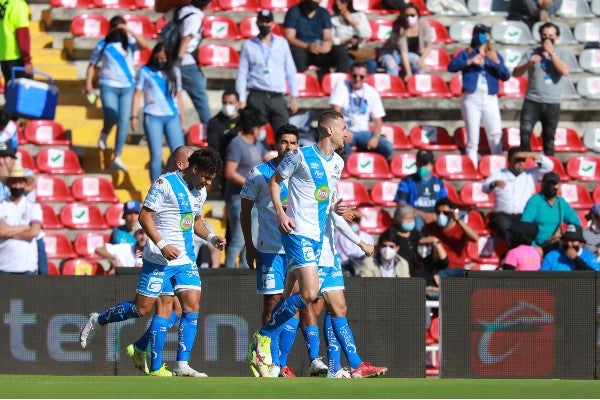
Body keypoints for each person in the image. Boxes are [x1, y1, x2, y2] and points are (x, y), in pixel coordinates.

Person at [79, 148, 226, 378]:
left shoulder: (200, 192)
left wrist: (210, 238)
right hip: (159, 258)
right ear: (195, 169)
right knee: (142, 309)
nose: (208, 183)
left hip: (185, 258)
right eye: (206, 177)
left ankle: (181, 364)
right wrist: (162, 244)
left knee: (192, 305)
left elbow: (195, 221)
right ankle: (99, 319)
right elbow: (144, 216)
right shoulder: (164, 183)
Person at [247, 110, 347, 375]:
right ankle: (265, 337)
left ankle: (273, 352)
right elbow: (274, 182)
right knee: (309, 294)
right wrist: (281, 214)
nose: (346, 133)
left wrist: (339, 210)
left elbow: (326, 198)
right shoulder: (300, 157)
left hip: (318, 238)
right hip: (295, 233)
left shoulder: (337, 163)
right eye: (343, 128)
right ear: (329, 130)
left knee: (300, 300)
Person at [240, 123, 301, 378]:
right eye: (284, 142)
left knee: (293, 306)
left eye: (294, 143)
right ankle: (266, 357)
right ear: (275, 145)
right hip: (270, 249)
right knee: (273, 303)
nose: (289, 148)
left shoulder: (303, 172)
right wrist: (250, 245)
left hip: (297, 247)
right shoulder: (259, 173)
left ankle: (280, 363)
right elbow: (245, 211)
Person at [86, 15, 148, 172]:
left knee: (122, 121)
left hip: (127, 86)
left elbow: (145, 45)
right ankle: (105, 132)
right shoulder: (103, 44)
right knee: (111, 115)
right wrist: (88, 84)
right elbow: (92, 65)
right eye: (116, 27)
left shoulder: (129, 43)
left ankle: (117, 156)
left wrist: (128, 30)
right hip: (108, 85)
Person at [447, 24, 509, 168]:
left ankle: (498, 168)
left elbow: (505, 76)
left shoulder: (494, 54)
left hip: (490, 98)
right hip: (471, 97)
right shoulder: (467, 53)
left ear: (489, 36)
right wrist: (470, 61)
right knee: (472, 139)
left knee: (495, 136)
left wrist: (497, 62)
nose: (482, 36)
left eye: (484, 33)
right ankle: (472, 169)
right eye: (479, 33)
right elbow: (451, 67)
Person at [512, 22, 570, 156]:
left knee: (549, 139)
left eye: (550, 36)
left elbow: (565, 71)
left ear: (556, 37)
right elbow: (516, 73)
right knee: (525, 134)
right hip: (532, 100)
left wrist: (552, 54)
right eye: (544, 35)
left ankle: (547, 170)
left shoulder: (562, 53)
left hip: (552, 102)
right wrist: (529, 63)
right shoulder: (531, 52)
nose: (547, 38)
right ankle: (525, 165)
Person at [236, 9, 299, 133]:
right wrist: (241, 99)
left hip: (277, 97)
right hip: (257, 95)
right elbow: (242, 73)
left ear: (273, 24)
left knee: (284, 134)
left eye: (267, 22)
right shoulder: (248, 45)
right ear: (257, 23)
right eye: (262, 22)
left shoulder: (282, 43)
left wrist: (294, 96)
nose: (264, 25)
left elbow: (290, 70)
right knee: (254, 134)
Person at [131, 43, 185, 182]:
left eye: (163, 60)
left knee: (180, 153)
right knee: (156, 156)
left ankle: (171, 181)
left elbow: (179, 97)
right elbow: (137, 94)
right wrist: (134, 116)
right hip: (152, 116)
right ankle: (155, 190)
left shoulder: (174, 71)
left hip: (172, 116)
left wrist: (183, 120)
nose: (160, 62)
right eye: (158, 59)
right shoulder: (145, 71)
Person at [482, 147, 553, 248]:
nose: (521, 163)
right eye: (517, 160)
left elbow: (548, 166)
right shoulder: (499, 173)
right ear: (509, 160)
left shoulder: (531, 174)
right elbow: (485, 189)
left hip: (523, 216)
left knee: (532, 228)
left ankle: (523, 254)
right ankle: (515, 252)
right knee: (505, 227)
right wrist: (494, 184)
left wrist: (531, 155)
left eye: (523, 160)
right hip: (503, 216)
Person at [224, 109, 269, 268]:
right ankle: (228, 273)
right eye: (261, 128)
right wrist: (251, 185)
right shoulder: (237, 144)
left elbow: (268, 157)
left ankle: (245, 273)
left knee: (252, 239)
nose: (263, 131)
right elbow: (230, 172)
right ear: (254, 128)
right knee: (238, 239)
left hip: (255, 200)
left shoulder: (257, 144)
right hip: (238, 200)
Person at [329, 62, 393, 160]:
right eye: (354, 75)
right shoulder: (341, 86)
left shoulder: (372, 92)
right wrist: (343, 130)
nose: (357, 79)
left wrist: (375, 137)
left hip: (364, 132)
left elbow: (378, 120)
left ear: (366, 77)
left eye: (361, 76)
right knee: (342, 147)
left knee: (388, 147)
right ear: (350, 75)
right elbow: (335, 111)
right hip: (346, 131)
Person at [166, 0, 213, 125]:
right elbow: (186, 39)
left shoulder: (181, 10)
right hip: (186, 63)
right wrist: (178, 62)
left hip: (176, 60)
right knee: (201, 100)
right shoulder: (194, 16)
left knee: (175, 98)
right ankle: (211, 131)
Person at [284, 0, 350, 79]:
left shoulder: (324, 13)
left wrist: (327, 44)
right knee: (297, 53)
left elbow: (328, 36)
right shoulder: (294, 11)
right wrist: (307, 46)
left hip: (319, 50)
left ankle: (341, 80)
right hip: (302, 48)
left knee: (340, 50)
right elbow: (290, 37)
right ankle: (303, 81)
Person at [521, 171, 580, 254]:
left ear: (559, 186)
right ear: (542, 184)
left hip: (555, 244)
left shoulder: (561, 202)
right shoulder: (534, 200)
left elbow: (576, 222)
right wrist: (534, 246)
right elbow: (525, 226)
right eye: (549, 183)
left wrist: (574, 240)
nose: (551, 187)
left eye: (554, 184)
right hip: (537, 246)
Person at [0, 164, 41, 274]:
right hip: (4, 265)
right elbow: (1, 231)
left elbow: (34, 232)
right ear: (8, 184)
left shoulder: (33, 206)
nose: (17, 186)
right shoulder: (1, 205)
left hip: (27, 266)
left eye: (20, 182)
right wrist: (25, 227)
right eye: (14, 182)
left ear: (25, 184)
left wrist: (9, 232)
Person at [422, 198, 480, 274]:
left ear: (452, 213)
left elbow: (475, 238)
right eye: (438, 213)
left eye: (445, 213)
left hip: (456, 269)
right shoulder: (429, 227)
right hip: (436, 270)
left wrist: (458, 220)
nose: (441, 215)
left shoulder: (460, 227)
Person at [394, 149, 448, 231]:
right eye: (420, 164)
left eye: (425, 164)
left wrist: (435, 215)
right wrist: (423, 215)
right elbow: (401, 205)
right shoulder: (407, 181)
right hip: (416, 217)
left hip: (434, 217)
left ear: (432, 165)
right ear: (416, 164)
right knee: (417, 220)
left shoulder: (438, 182)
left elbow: (444, 203)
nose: (422, 167)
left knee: (445, 219)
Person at [379, 3, 432, 80]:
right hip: (392, 53)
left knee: (419, 66)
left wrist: (422, 60)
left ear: (417, 15)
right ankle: (394, 87)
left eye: (413, 15)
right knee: (392, 67)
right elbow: (403, 51)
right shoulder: (400, 27)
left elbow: (429, 45)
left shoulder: (423, 23)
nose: (410, 18)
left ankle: (418, 89)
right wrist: (408, 73)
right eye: (407, 15)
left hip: (411, 55)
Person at [330, 0, 376, 74]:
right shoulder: (333, 18)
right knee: (348, 65)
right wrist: (345, 42)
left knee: (371, 65)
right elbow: (331, 38)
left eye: (339, 3)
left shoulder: (360, 15)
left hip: (360, 50)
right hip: (344, 52)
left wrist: (353, 22)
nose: (337, 5)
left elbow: (367, 34)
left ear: (346, 3)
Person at [0, 0, 32, 84]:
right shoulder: (19, 5)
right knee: (24, 93)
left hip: (3, 58)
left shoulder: (2, 4)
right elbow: (22, 33)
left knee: (10, 92)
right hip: (17, 57)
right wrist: (27, 60)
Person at [207, 89, 241, 163]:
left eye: (231, 103)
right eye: (224, 103)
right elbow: (213, 148)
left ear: (238, 104)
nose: (227, 106)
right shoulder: (214, 122)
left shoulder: (245, 119)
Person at [334, 211, 373, 276]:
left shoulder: (367, 237)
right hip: (344, 267)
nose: (353, 222)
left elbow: (369, 254)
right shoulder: (339, 235)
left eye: (357, 220)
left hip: (362, 266)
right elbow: (349, 253)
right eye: (351, 220)